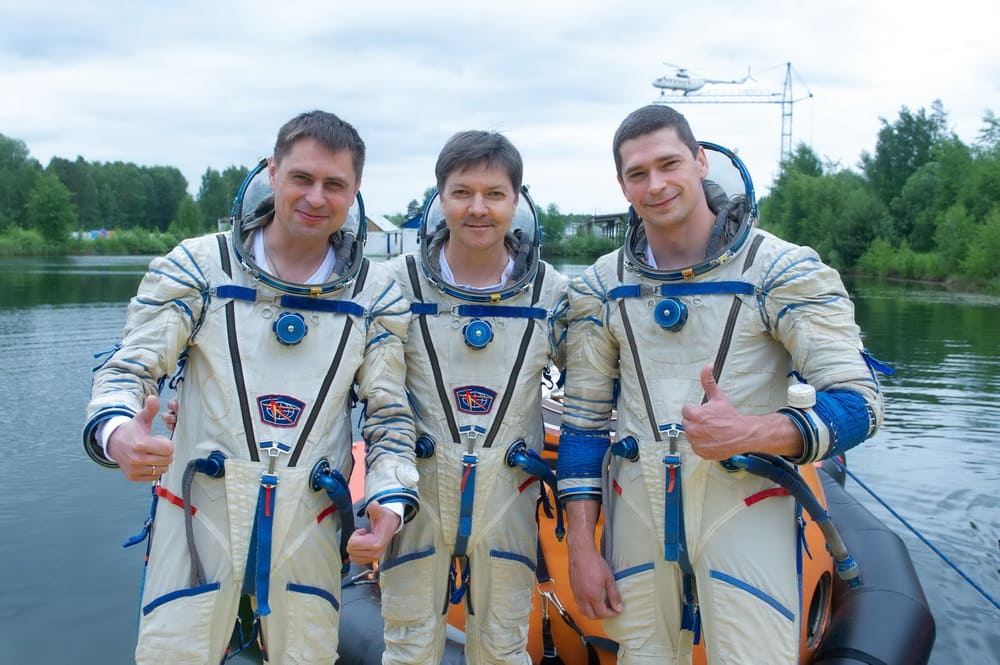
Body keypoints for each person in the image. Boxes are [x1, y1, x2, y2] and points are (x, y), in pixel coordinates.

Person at [83, 110, 419, 665]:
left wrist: (389, 499)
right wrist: (118, 432)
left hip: (310, 521)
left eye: (334, 184)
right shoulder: (198, 268)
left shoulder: (376, 297)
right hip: (197, 515)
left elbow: (389, 417)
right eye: (302, 177)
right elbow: (129, 369)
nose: (316, 197)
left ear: (355, 190)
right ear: (272, 172)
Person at [555, 105, 888, 665]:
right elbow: (583, 428)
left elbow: (861, 404)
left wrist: (752, 433)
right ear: (622, 185)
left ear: (701, 161)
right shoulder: (599, 287)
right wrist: (583, 548)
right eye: (638, 173)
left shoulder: (782, 271)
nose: (656, 185)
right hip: (636, 513)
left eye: (669, 164)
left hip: (747, 506)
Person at [351, 130, 567, 665]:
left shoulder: (554, 294)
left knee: (504, 648)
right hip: (416, 496)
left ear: (516, 201)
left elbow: (599, 394)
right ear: (440, 197)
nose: (478, 208)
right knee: (407, 647)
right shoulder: (391, 286)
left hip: (509, 499)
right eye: (462, 192)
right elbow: (345, 381)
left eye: (494, 194)